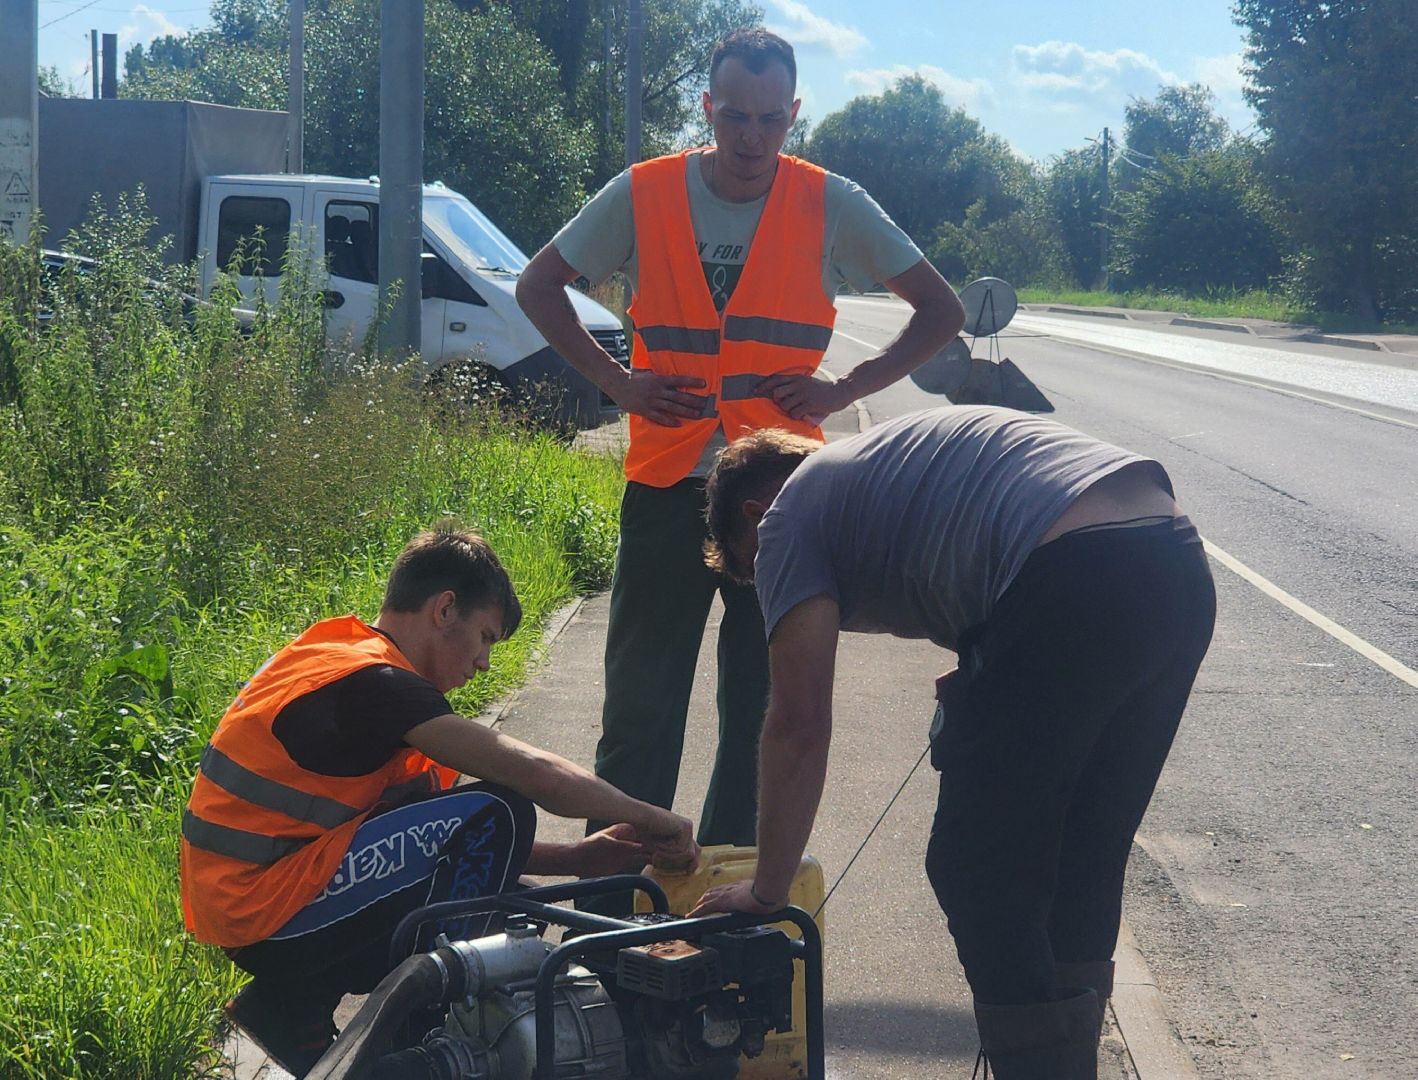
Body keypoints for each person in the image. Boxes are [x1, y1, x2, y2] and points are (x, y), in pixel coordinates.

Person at [515, 28, 964, 861]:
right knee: (639, 708)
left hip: (786, 497)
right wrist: (618, 384)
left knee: (765, 707)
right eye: (733, 116)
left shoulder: (832, 201)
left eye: (769, 119)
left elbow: (942, 310)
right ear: (707, 107)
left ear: (793, 114)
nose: (751, 137)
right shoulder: (644, 192)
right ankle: (618, 890)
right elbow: (538, 285)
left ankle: (730, 896)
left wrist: (845, 389)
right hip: (667, 486)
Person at [689, 408, 1216, 1079]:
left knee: (974, 864)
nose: (773, 584)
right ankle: (1068, 1060)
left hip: (1076, 570)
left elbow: (798, 724)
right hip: (1174, 565)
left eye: (757, 568)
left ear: (756, 515)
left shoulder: (787, 518)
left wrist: (768, 891)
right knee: (1085, 848)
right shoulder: (879, 474)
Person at [180, 526, 698, 1077]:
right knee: (500, 809)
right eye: (485, 637)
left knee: (511, 900)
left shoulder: (343, 655)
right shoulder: (376, 683)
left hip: (258, 905)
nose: (484, 663)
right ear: (445, 609)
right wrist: (651, 818)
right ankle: (419, 1037)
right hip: (265, 912)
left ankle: (292, 1008)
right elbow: (532, 773)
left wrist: (576, 860)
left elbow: (441, 845)